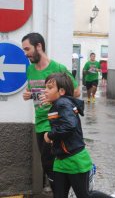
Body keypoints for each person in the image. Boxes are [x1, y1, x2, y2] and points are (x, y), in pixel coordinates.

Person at [43, 72, 115, 198]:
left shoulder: (62, 104)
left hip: (75, 160)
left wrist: (50, 135)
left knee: (85, 195)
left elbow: (70, 125)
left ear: (62, 91)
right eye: (45, 87)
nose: (45, 91)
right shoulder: (59, 104)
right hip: (61, 159)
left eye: (49, 88)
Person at [22, 32, 80, 192]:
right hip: (39, 123)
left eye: (27, 49)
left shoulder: (58, 68)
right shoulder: (30, 70)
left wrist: (54, 99)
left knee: (51, 162)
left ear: (39, 46)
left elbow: (76, 91)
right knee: (48, 165)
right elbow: (34, 91)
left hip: (55, 123)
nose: (25, 53)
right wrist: (28, 94)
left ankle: (62, 191)